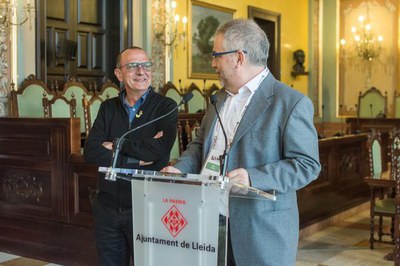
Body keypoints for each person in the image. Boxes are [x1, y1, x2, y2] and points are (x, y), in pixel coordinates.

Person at [162, 19, 321, 266]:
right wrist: (180, 168)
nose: (213, 63)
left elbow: (307, 165)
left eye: (216, 55)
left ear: (238, 57)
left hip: (260, 230)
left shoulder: (290, 103)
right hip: (208, 222)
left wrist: (252, 178)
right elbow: (202, 142)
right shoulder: (220, 98)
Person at [83, 46, 178, 265]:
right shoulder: (108, 107)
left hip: (147, 205)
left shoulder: (166, 106)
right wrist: (134, 160)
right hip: (107, 207)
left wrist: (116, 144)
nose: (141, 71)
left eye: (146, 65)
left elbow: (159, 150)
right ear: (119, 74)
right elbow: (91, 152)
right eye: (133, 66)